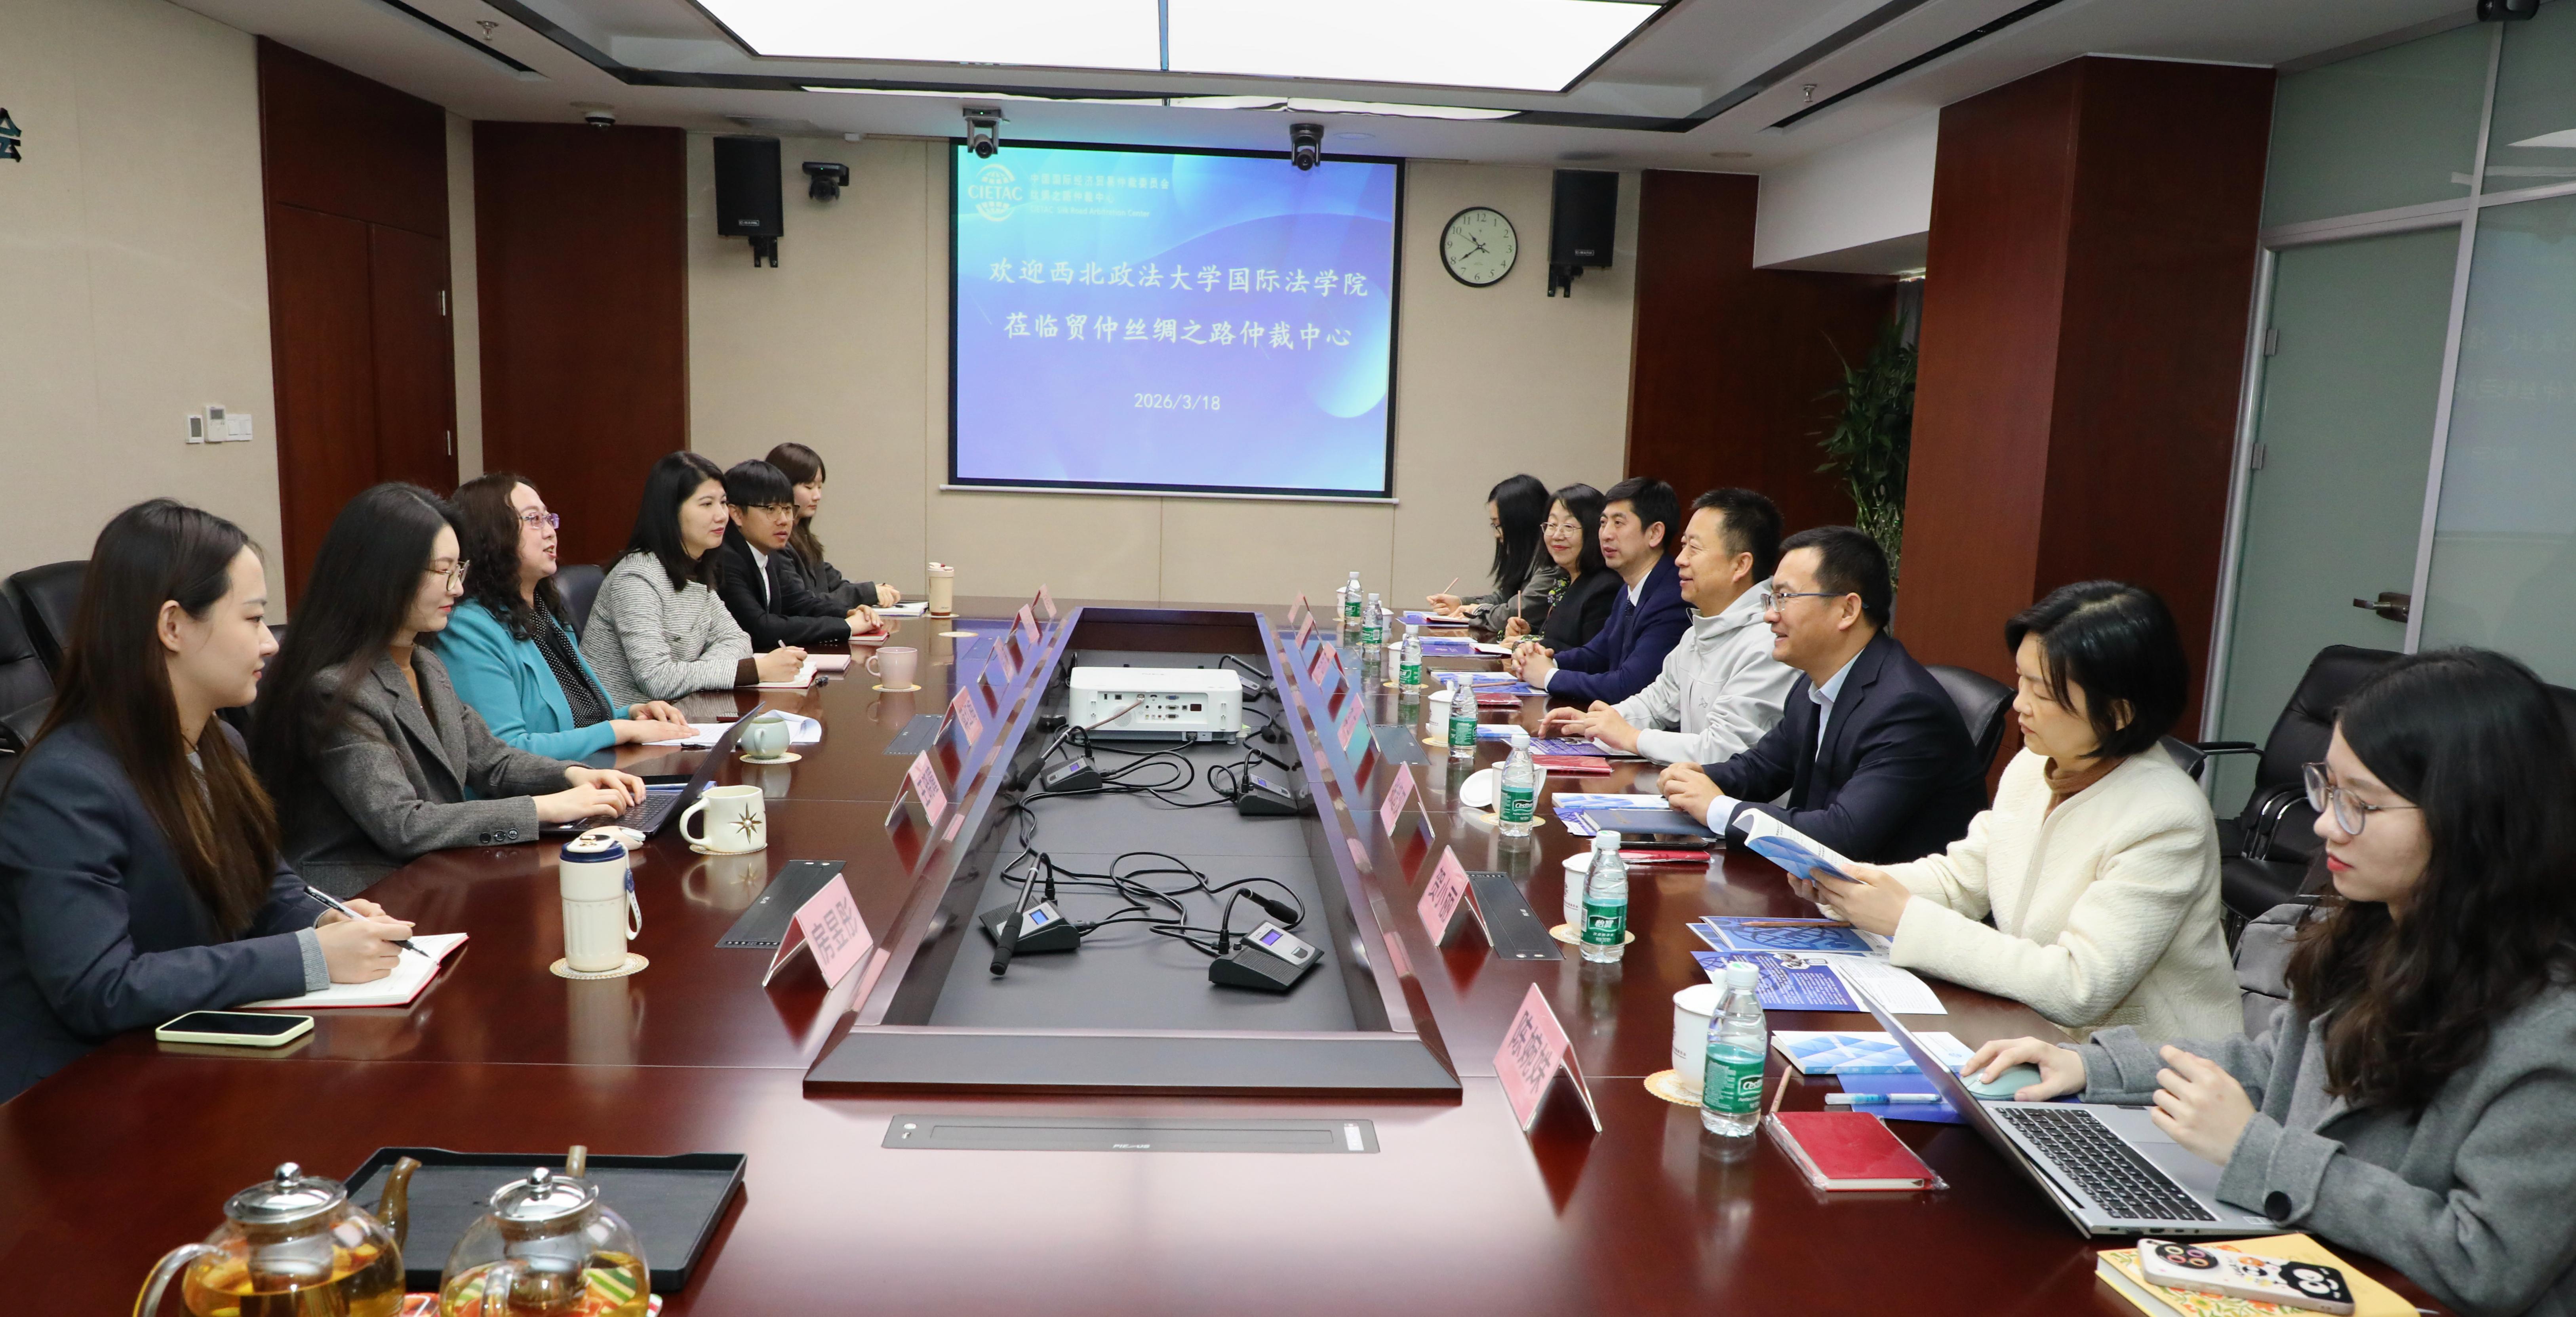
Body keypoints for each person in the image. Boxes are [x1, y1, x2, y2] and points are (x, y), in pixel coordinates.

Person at [1967, 649, 2576, 1316]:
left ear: (2473, 818)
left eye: (2361, 804)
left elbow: (2486, 1262)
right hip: (2315, 1267)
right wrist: (2091, 1067)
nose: (2324, 823)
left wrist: (2256, 1150)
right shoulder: (2370, 931)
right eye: (2328, 789)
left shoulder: (2551, 1028)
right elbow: (2275, 1067)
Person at [0, 500, 414, 1100]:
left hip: (187, 1058)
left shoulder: (220, 742)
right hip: (78, 1097)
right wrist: (310, 956)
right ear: (173, 627)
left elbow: (268, 890)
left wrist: (326, 921)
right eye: (252, 618)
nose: (270, 643)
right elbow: (99, 988)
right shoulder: (65, 784)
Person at [1800, 582, 2235, 1045]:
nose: (2019, 704)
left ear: (2119, 712)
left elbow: (2078, 985)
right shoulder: (2034, 765)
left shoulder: (2166, 819)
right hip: (2031, 1033)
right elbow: (1961, 880)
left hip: (2147, 1072)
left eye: (2043, 693)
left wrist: (1906, 920)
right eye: (2021, 679)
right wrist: (1848, 882)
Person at [251, 484, 648, 898]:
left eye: (459, 570)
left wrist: (573, 775)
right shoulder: (334, 690)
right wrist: (541, 808)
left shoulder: (426, 664)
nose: (457, 589)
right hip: (366, 894)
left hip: (437, 875)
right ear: (384, 574)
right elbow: (403, 825)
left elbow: (492, 760)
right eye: (443, 572)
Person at [1658, 526, 1984, 863]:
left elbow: (1843, 835)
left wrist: (1717, 809)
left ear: (1847, 611)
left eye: (1784, 598)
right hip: (1811, 882)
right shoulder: (1813, 684)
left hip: (1882, 891)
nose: (1769, 615)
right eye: (1771, 599)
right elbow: (1763, 768)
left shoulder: (1907, 709)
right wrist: (1695, 778)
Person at [440, 472, 697, 759]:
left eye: (549, 519)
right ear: (491, 533)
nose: (550, 532)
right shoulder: (468, 628)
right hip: (544, 785)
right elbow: (505, 752)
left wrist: (633, 714)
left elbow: (578, 719)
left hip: (591, 771)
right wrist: (618, 730)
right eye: (534, 519)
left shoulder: (543, 609)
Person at [1542, 488, 1796, 768]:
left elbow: (1726, 750)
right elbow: (1656, 703)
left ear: (1740, 565)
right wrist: (1595, 724)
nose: (1680, 559)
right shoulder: (1697, 632)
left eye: (1694, 549)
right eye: (1684, 545)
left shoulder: (1770, 641)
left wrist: (1632, 737)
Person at [583, 451, 808, 709]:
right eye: (706, 504)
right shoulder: (636, 578)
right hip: (629, 723)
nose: (722, 515)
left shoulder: (696, 570)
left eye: (723, 503)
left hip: (685, 713)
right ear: (670, 511)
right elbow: (657, 679)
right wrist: (755, 670)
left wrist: (691, 673)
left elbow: (737, 640)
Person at [1509, 476, 1687, 706]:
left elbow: (1630, 686)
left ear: (1654, 533)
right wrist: (1543, 660)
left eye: (1619, 523)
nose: (1605, 534)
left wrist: (1548, 676)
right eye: (1603, 523)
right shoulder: (1629, 589)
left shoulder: (1673, 597)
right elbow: (1598, 654)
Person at [715, 459, 880, 649]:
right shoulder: (725, 560)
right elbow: (760, 628)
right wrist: (846, 626)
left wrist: (848, 613)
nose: (784, 520)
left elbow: (800, 603)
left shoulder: (770, 554)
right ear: (736, 514)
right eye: (771, 510)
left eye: (787, 509)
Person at [765, 442, 896, 611]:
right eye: (809, 487)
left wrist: (876, 591)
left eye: (820, 487)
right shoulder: (777, 542)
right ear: (783, 486)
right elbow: (804, 603)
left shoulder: (804, 538)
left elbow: (834, 584)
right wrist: (868, 592)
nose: (818, 496)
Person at [1426, 474, 1557, 633]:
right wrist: (1461, 603)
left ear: (1521, 523)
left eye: (1499, 525)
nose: (1497, 534)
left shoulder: (1552, 564)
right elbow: (1504, 599)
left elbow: (1514, 613)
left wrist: (1477, 611)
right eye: (1494, 525)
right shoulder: (1529, 558)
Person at [1502, 483, 1619, 653]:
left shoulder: (1605, 588)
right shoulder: (1565, 580)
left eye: (1568, 527)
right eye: (1552, 525)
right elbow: (1563, 637)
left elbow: (1592, 657)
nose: (1557, 536)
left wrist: (1529, 644)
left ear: (1594, 531)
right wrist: (1530, 633)